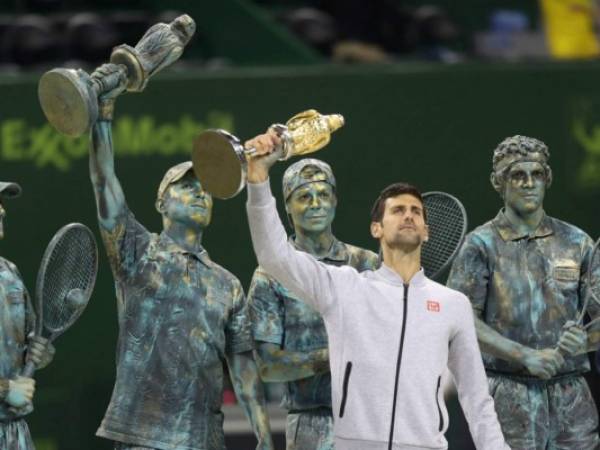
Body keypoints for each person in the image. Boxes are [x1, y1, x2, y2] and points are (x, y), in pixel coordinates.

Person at [242, 130, 509, 450]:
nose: (408, 215)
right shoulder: (346, 285)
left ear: (427, 231)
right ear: (376, 228)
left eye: (416, 211)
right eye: (397, 210)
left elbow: (477, 400)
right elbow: (274, 256)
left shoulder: (453, 304)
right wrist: (257, 179)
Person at [87, 64, 272, 450]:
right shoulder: (138, 250)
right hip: (141, 436)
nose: (199, 193)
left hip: (203, 439)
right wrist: (103, 114)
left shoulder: (227, 284)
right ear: (162, 202)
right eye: (186, 187)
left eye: (204, 189)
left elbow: (243, 369)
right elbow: (105, 180)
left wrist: (264, 437)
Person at [447, 135, 600, 450]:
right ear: (498, 182)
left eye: (537, 174)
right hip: (506, 397)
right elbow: (459, 319)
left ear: (547, 179)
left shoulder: (577, 242)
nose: (529, 183)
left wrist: (584, 341)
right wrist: (523, 355)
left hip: (571, 399)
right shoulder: (480, 245)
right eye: (518, 175)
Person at [248, 158, 378, 450]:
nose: (315, 204)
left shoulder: (368, 264)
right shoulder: (270, 275)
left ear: (335, 201)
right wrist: (333, 356)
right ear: (287, 207)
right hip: (310, 427)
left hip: (372, 421)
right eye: (304, 197)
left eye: (323, 195)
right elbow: (267, 366)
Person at [0, 181, 55, 449]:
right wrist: (5, 389)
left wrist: (39, 353)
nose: (1, 210)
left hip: (15, 434)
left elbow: (29, 343)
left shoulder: (9, 273)